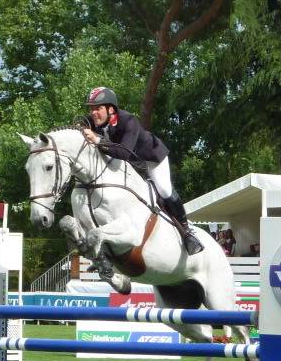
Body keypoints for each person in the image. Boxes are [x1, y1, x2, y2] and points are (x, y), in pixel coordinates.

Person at [81, 87, 203, 255]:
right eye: (91, 108)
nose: (93, 113)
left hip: (151, 158)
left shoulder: (128, 121)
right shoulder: (91, 121)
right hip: (130, 164)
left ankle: (188, 232)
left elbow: (124, 152)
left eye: (98, 108)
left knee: (164, 190)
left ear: (110, 109)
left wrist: (97, 140)